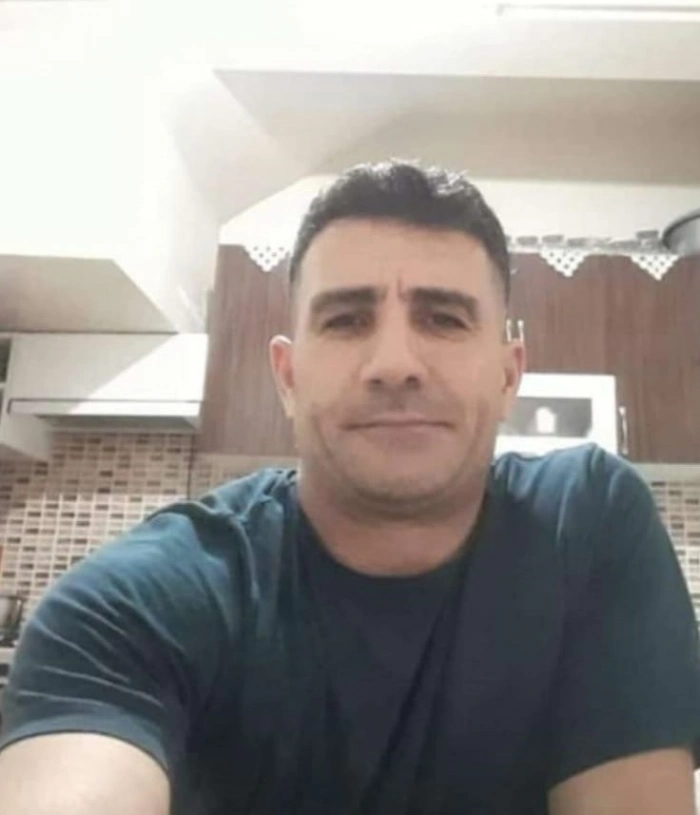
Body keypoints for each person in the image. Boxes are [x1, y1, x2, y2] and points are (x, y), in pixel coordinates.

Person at [0, 160, 699, 815]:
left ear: (508, 375)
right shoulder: (136, 602)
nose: (394, 363)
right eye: (346, 319)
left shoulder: (584, 525)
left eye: (444, 318)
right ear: (288, 377)